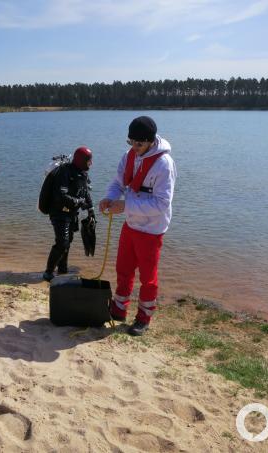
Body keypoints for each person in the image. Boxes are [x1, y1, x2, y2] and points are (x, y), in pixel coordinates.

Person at [99, 116, 177, 336]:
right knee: (123, 268)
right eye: (131, 142)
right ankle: (119, 308)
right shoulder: (129, 156)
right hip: (131, 224)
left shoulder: (164, 165)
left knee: (148, 277)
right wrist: (110, 198)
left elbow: (161, 204)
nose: (134, 147)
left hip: (152, 230)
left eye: (139, 144)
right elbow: (118, 183)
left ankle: (143, 317)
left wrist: (125, 206)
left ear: (151, 141)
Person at [42, 147, 95, 282]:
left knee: (68, 242)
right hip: (59, 213)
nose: (91, 164)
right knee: (62, 242)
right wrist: (78, 202)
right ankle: (48, 273)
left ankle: (62, 269)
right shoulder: (64, 173)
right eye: (89, 161)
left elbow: (85, 192)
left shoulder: (82, 173)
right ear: (82, 160)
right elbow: (61, 195)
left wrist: (91, 209)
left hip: (71, 213)